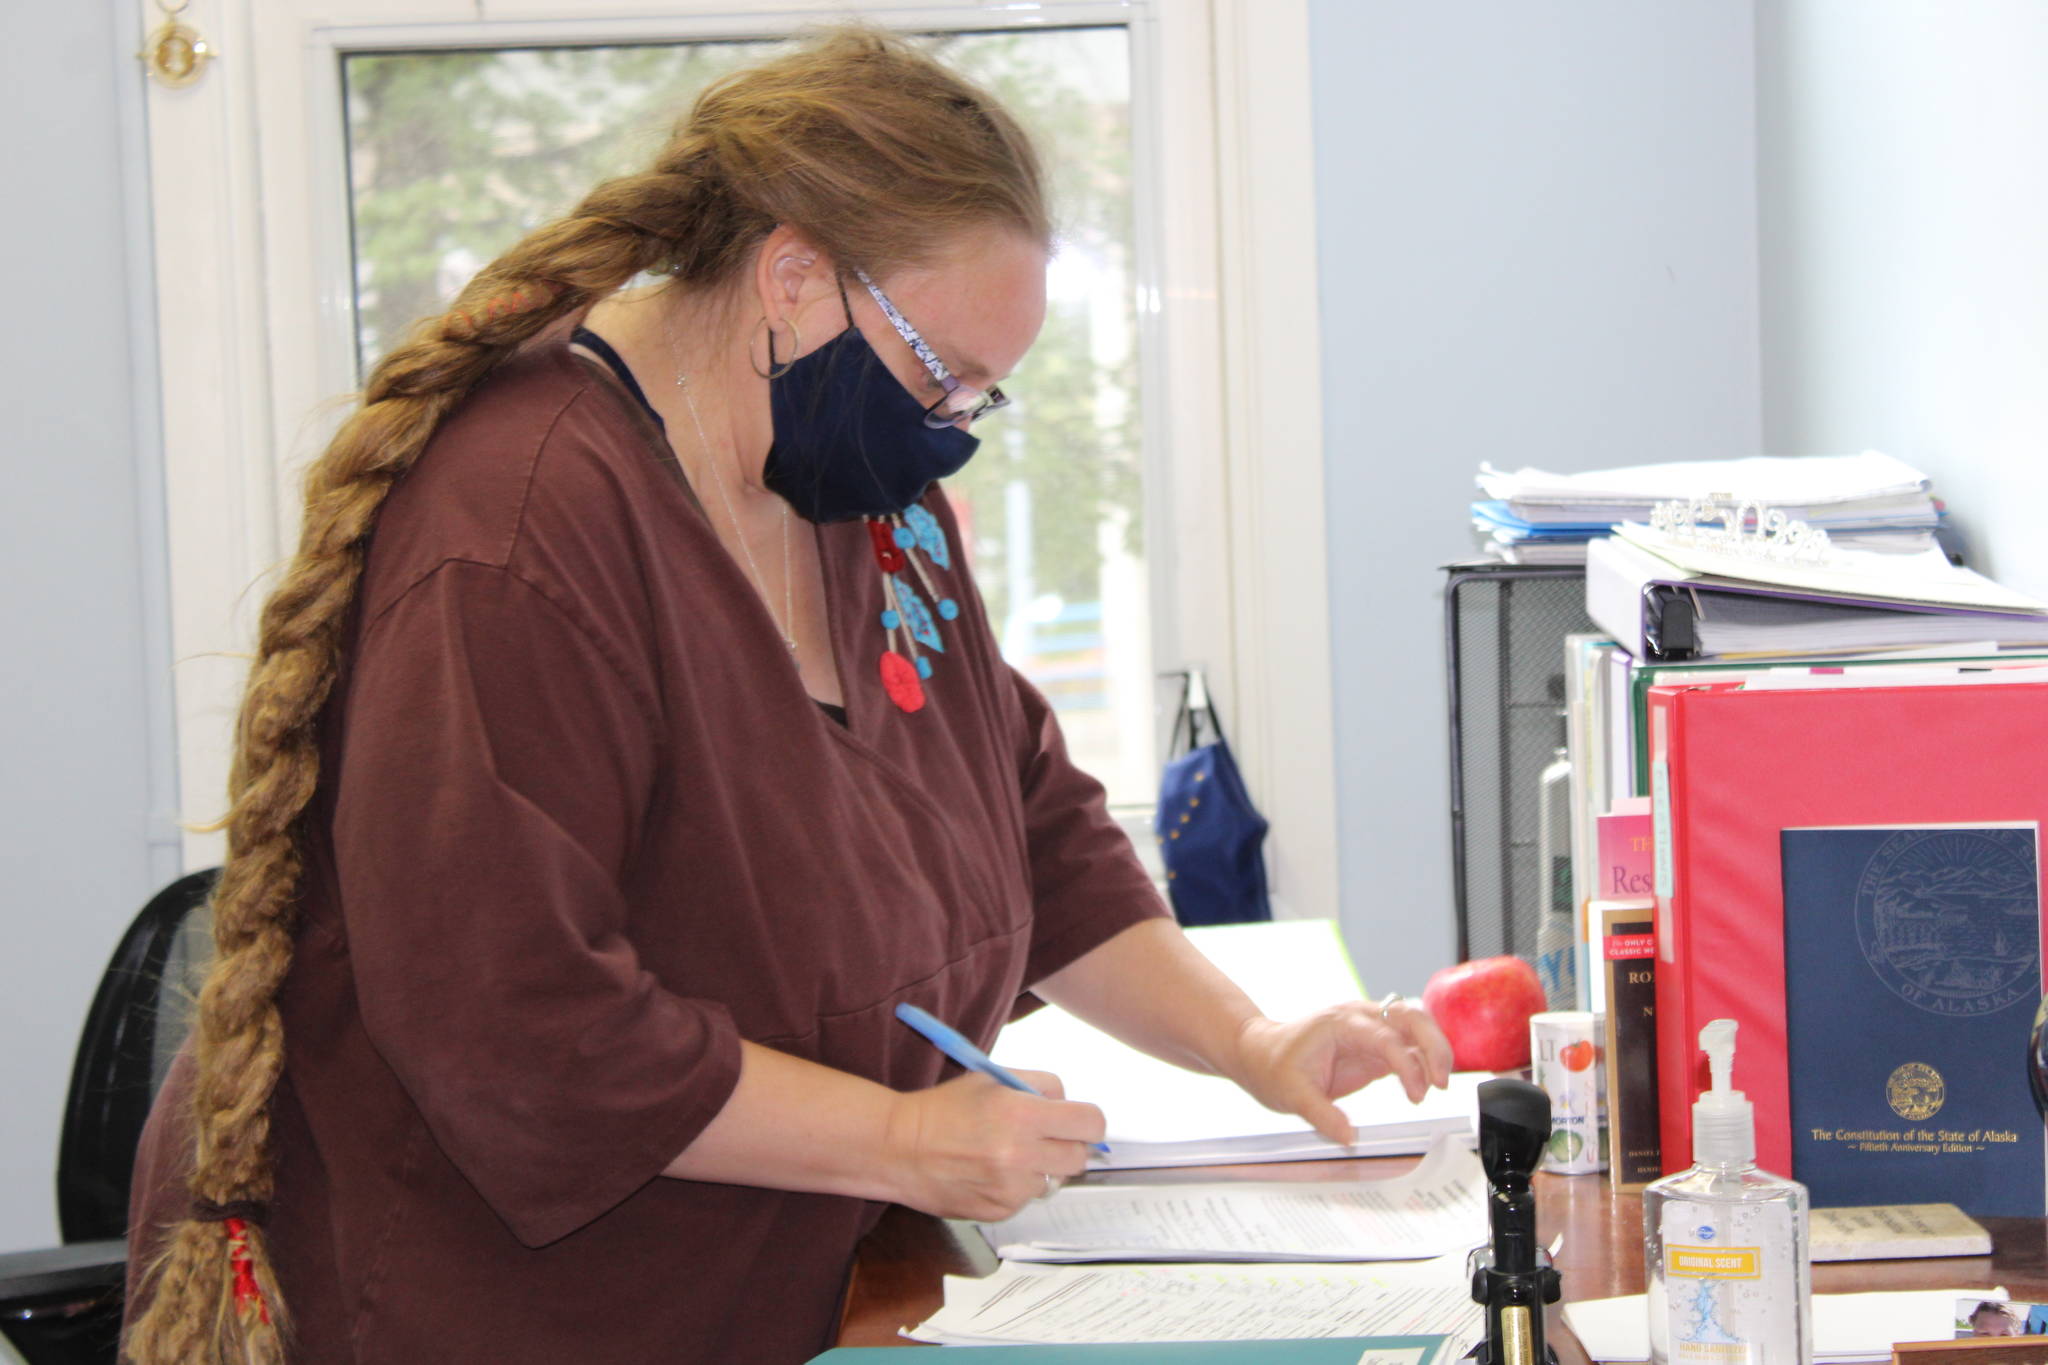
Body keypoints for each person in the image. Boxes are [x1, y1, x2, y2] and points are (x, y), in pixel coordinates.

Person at [122, 28, 1452, 1365]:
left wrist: (1256, 1041)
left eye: (987, 394)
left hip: (816, 1284)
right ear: (798, 279)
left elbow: (1032, 823)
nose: (955, 427)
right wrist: (909, 1140)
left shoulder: (855, 485)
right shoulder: (517, 539)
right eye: (943, 375)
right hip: (506, 1311)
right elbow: (523, 1035)